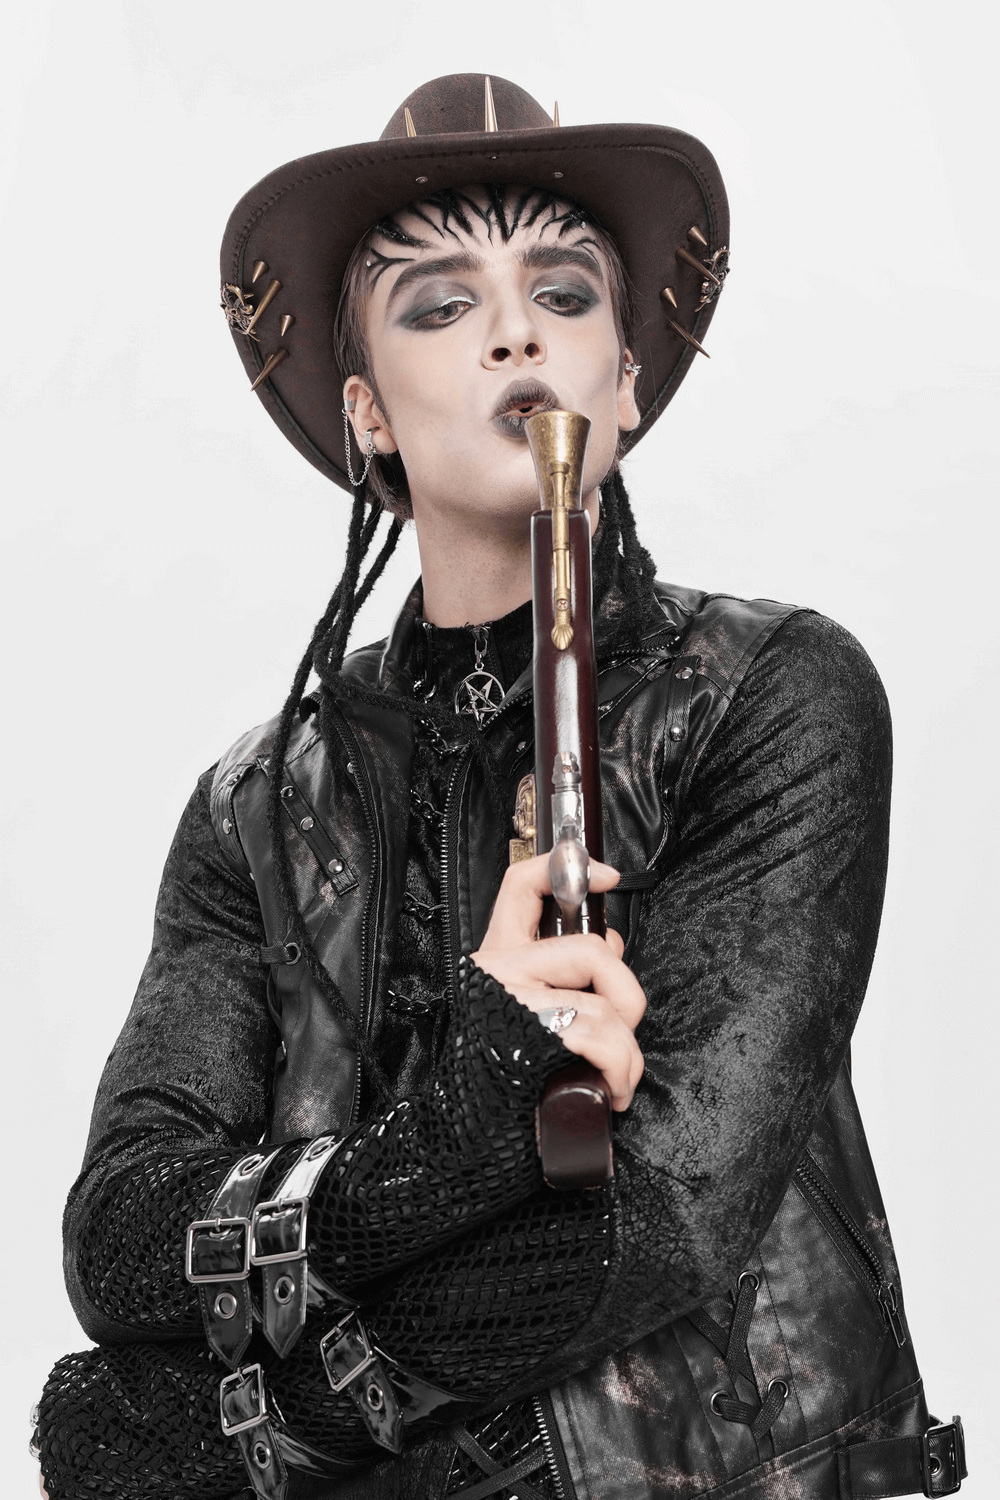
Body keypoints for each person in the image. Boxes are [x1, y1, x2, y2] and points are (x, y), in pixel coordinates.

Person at [33, 73, 966, 1500]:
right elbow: (118, 1238)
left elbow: (649, 1225)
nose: (517, 328)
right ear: (367, 413)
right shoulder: (255, 805)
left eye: (565, 291)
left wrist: (245, 1428)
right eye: (440, 303)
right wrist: (461, 1126)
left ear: (627, 379)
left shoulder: (772, 696)